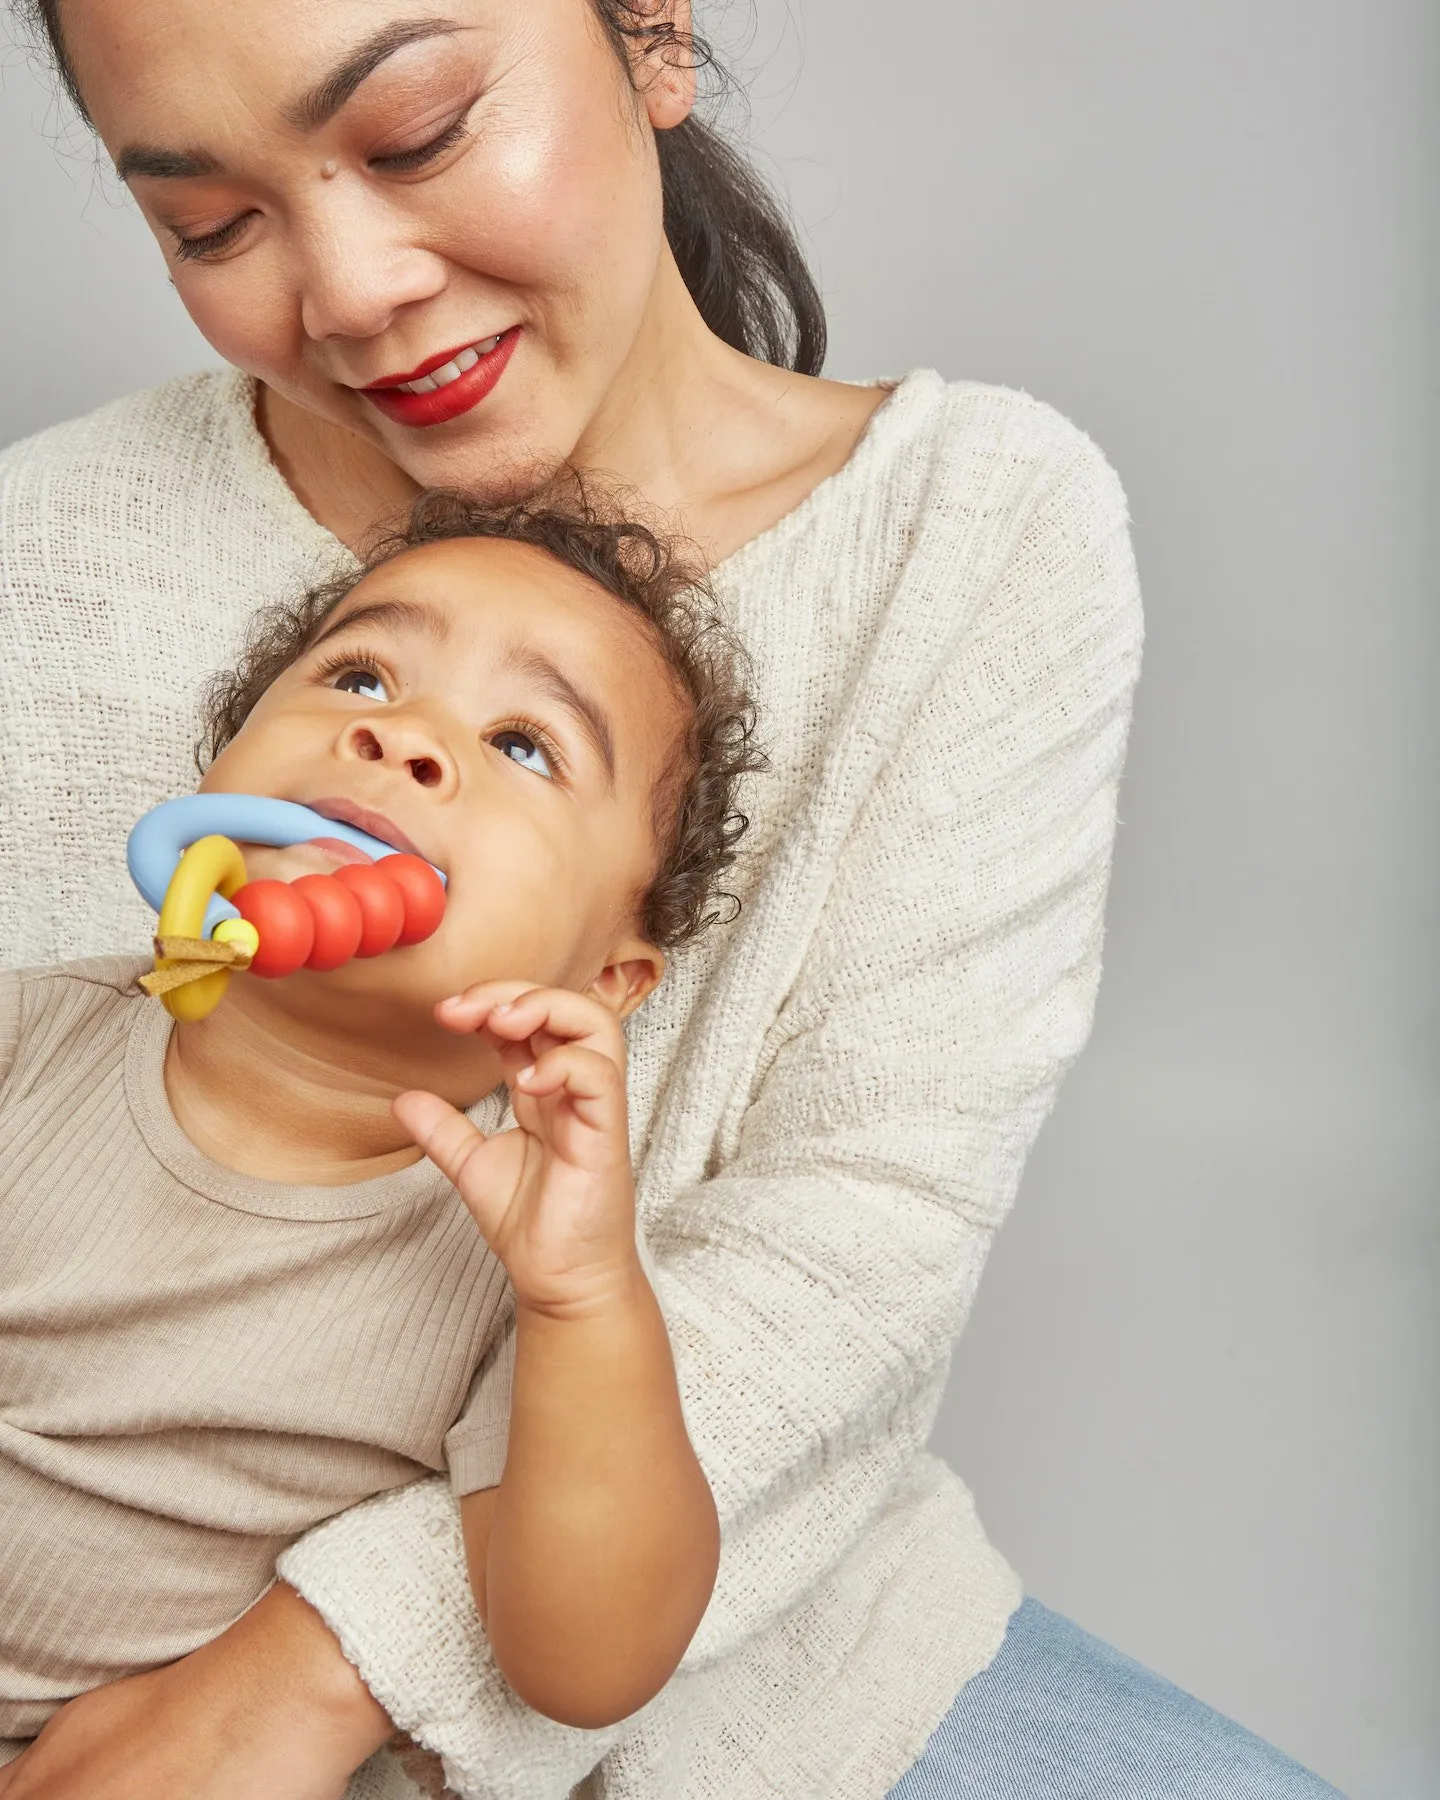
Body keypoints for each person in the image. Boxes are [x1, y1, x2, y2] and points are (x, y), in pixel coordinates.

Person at [0, 0, 1342, 1795]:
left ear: (651, 36)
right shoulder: (53, 555)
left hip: (736, 1657)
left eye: (415, 135)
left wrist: (321, 1668)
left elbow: (848, 1239)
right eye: (212, 225)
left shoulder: (979, 529)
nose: (353, 289)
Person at [0, 494, 761, 1764]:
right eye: (360, 673)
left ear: (608, 982)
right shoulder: (34, 1039)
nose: (400, 734)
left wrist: (583, 1298)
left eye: (525, 745)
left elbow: (589, 1665)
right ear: (214, 782)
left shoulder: (518, 1258)